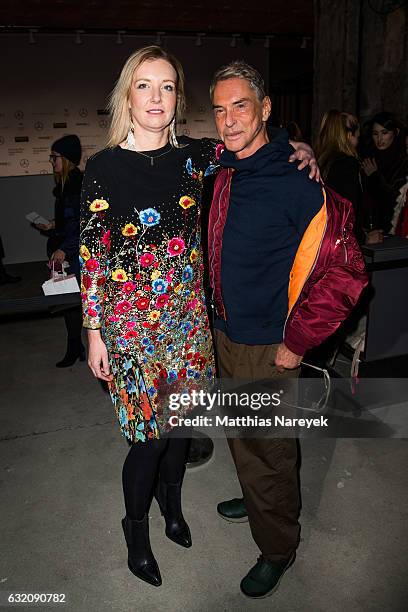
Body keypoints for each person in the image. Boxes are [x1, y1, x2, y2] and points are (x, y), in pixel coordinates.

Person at [79, 45, 319, 588]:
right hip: (132, 331)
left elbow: (252, 142)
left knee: (182, 429)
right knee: (150, 438)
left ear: (177, 97)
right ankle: (136, 530)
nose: (156, 97)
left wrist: (298, 147)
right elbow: (91, 259)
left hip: (188, 325)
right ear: (127, 95)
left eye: (167, 86)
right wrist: (94, 334)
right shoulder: (103, 168)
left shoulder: (196, 157)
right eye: (144, 85)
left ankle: (172, 509)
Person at [207, 61, 368, 599]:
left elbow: (346, 272)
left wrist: (296, 343)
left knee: (271, 451)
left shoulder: (296, 181)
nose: (229, 121)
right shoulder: (219, 170)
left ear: (265, 109)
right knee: (243, 439)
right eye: (219, 109)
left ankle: (278, 548)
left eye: (241, 106)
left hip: (268, 346)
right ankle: (260, 503)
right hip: (224, 334)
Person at [34, 135, 85, 367]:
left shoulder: (76, 184)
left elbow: (82, 224)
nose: (51, 161)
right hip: (64, 250)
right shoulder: (66, 184)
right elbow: (69, 219)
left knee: (71, 302)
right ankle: (76, 347)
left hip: (71, 254)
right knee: (68, 303)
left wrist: (64, 249)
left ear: (65, 159)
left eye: (54, 157)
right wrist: (54, 224)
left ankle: (75, 348)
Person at [315, 109, 364, 242]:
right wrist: (362, 238)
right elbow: (348, 209)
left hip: (321, 236)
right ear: (348, 135)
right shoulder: (347, 164)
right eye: (357, 137)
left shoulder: (319, 161)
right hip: (340, 240)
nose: (359, 141)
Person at [362, 112, 408, 242]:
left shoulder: (402, 162)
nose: (380, 139)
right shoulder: (369, 157)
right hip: (369, 231)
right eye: (375, 134)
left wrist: (374, 177)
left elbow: (396, 201)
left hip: (392, 233)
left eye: (384, 133)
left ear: (396, 132)